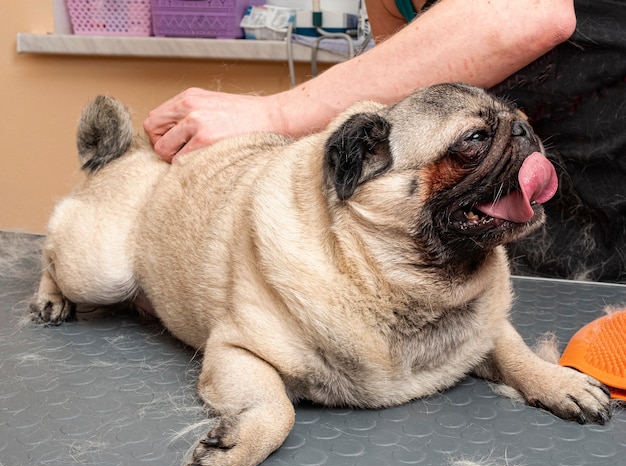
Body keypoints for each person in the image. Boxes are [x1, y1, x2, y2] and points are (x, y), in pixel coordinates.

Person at [144, 0, 626, 283]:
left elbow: (530, 11)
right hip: (483, 235)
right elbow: (410, 96)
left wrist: (274, 113)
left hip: (607, 216)